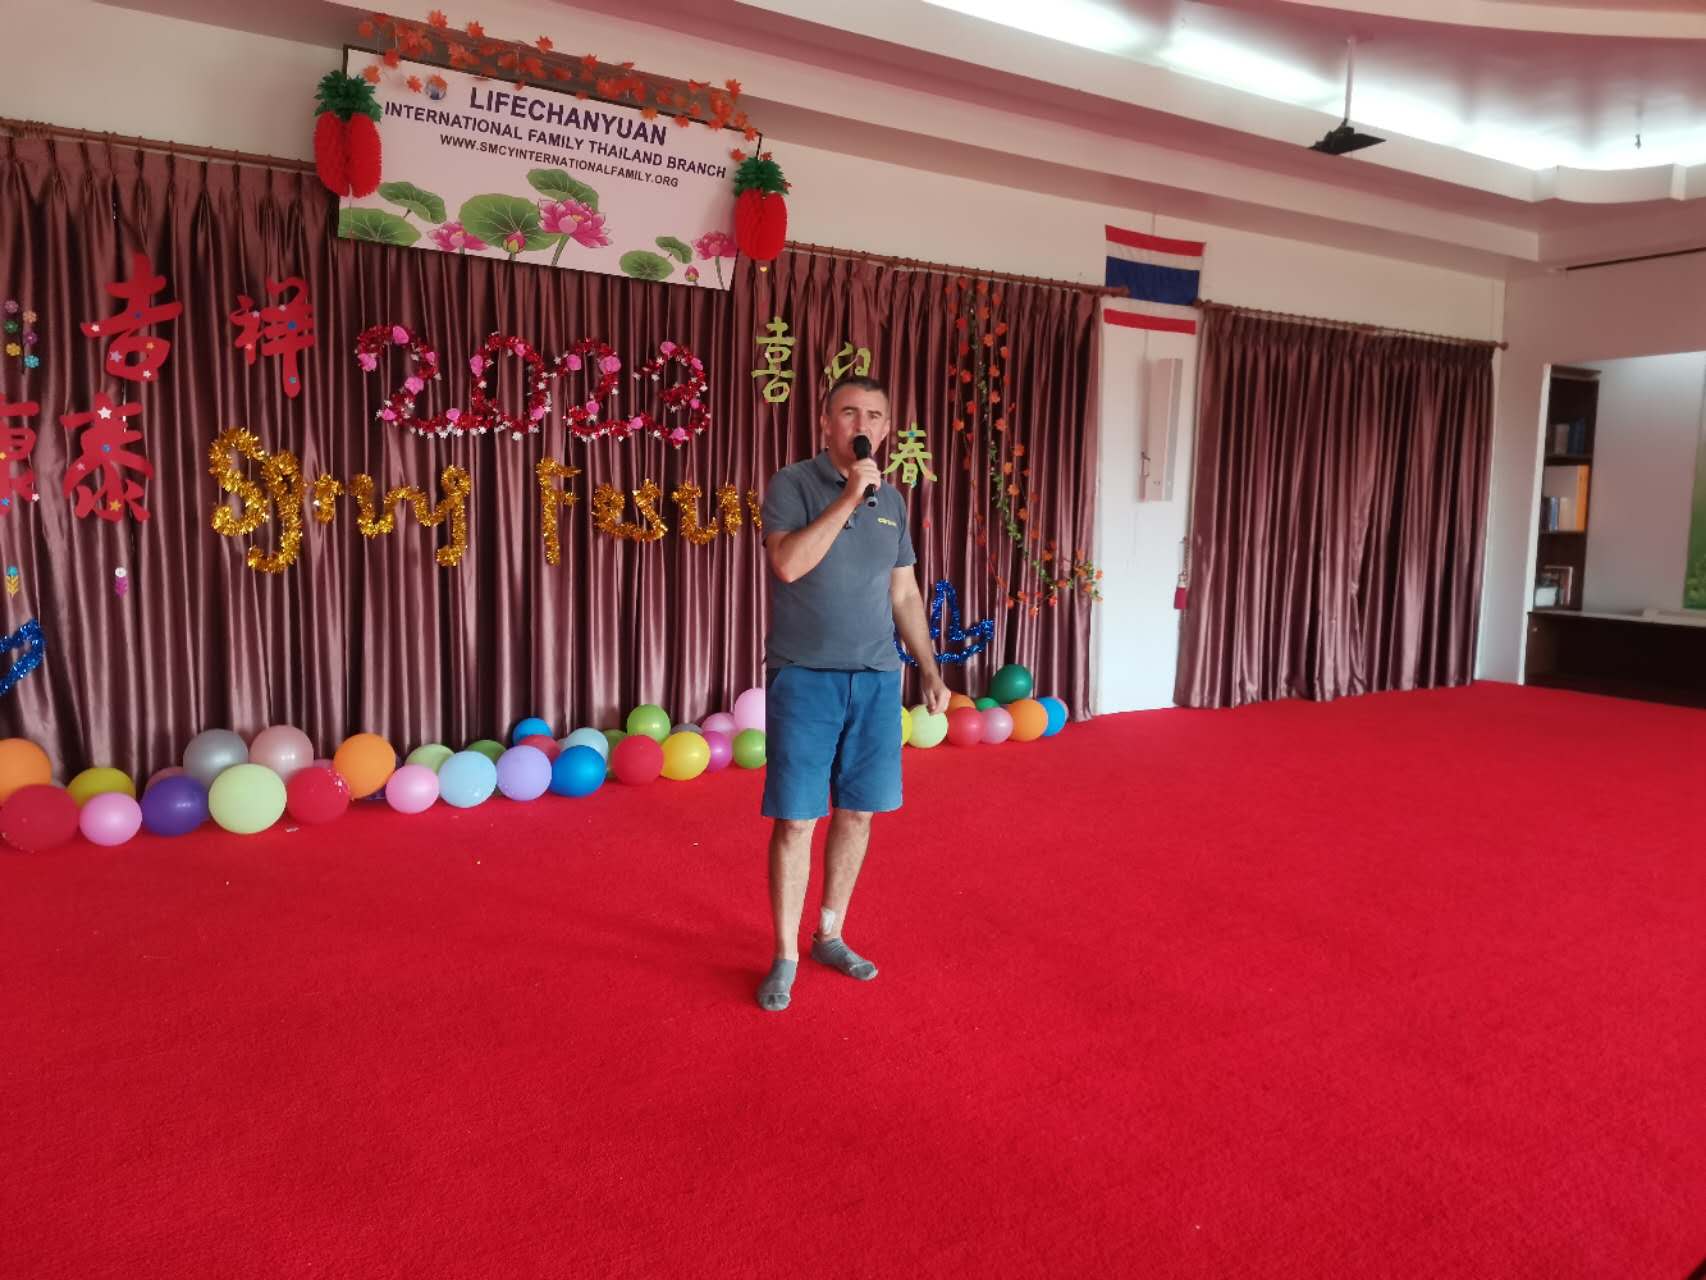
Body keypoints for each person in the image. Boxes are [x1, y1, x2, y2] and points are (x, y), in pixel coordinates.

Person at [754, 375, 950, 1012]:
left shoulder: (892, 501)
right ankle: (785, 954)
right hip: (805, 676)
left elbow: (904, 592)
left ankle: (829, 934)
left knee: (859, 812)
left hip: (875, 678)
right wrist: (847, 497)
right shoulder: (792, 484)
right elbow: (788, 564)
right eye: (848, 412)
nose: (862, 424)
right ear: (825, 422)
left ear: (887, 428)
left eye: (874, 415)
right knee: (796, 820)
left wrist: (929, 667)